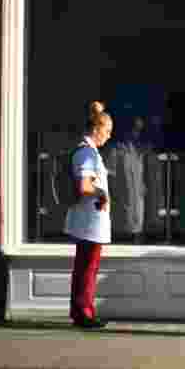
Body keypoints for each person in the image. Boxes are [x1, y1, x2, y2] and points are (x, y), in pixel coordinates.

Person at [65, 101, 113, 329]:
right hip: (89, 221)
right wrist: (102, 192)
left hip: (88, 220)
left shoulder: (87, 151)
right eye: (107, 131)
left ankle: (79, 310)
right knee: (88, 267)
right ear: (97, 128)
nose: (109, 136)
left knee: (85, 266)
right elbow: (84, 187)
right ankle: (84, 312)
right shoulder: (87, 153)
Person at [110, 116, 151, 244]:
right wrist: (113, 192)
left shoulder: (138, 151)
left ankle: (136, 236)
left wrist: (143, 186)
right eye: (135, 129)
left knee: (137, 221)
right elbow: (110, 173)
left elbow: (142, 172)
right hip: (122, 196)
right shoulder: (116, 150)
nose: (136, 133)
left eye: (139, 130)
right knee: (123, 223)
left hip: (137, 195)